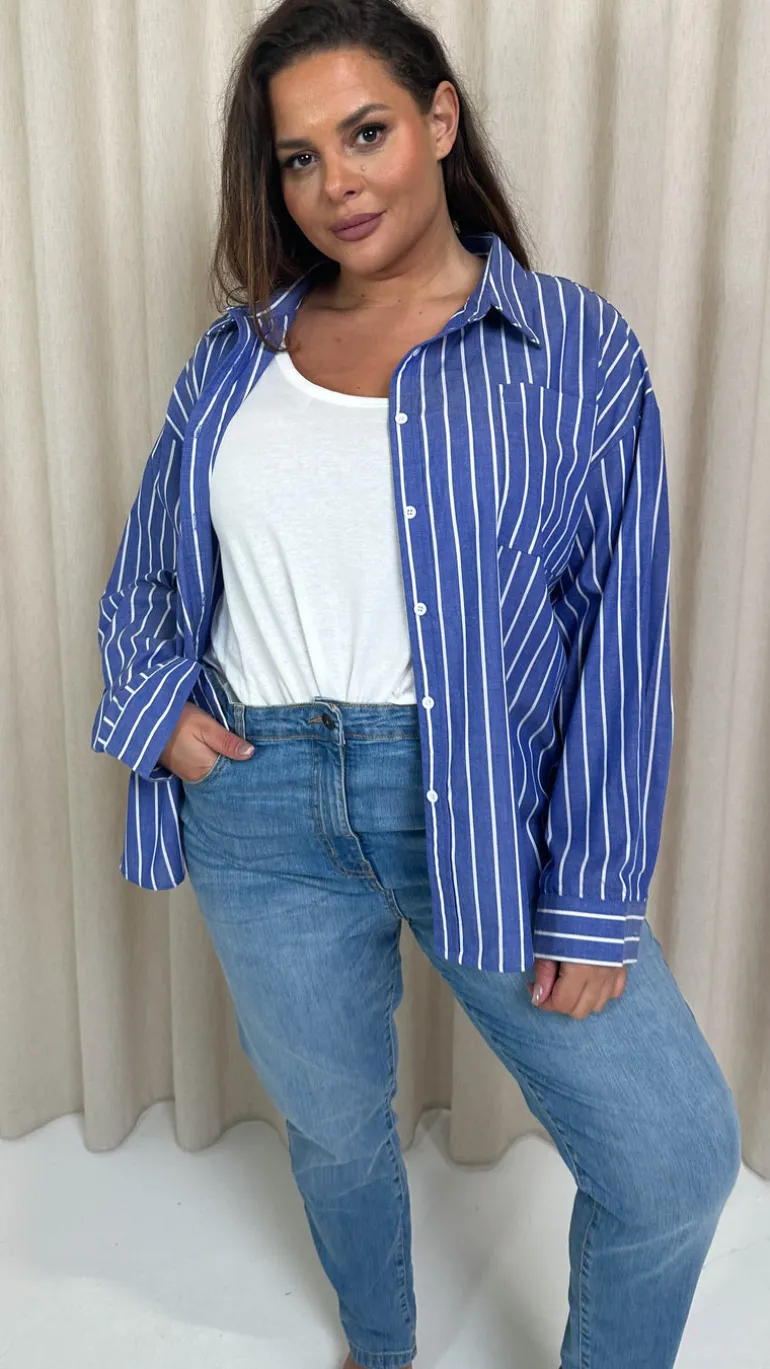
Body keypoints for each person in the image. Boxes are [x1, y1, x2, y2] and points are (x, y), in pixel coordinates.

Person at [91, 1, 742, 1366]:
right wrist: (164, 722)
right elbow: (152, 569)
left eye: (366, 132)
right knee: (334, 1128)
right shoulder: (236, 359)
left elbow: (618, 637)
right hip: (258, 805)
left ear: (439, 119)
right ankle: (379, 1347)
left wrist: (593, 895)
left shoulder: (570, 349)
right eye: (298, 156)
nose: (336, 182)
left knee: (673, 1157)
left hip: (478, 801)